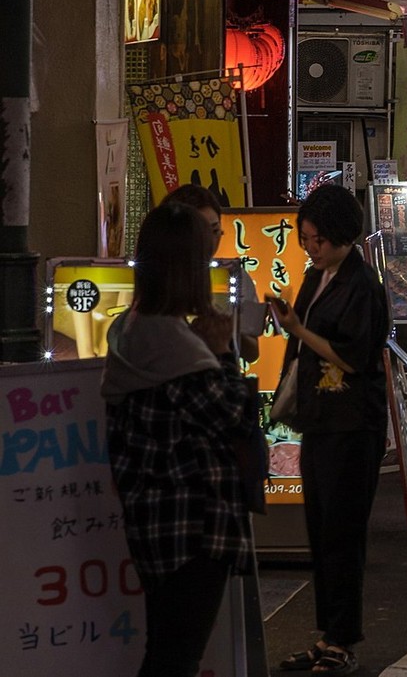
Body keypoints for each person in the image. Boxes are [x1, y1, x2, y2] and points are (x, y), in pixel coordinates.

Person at [105, 201, 260, 677]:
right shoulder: (172, 342)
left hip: (155, 522)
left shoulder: (133, 327)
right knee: (176, 657)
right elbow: (234, 414)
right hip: (190, 525)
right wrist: (222, 352)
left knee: (168, 649)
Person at [270, 185, 390, 675]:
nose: (310, 247)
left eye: (317, 239)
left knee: (341, 532)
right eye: (305, 238)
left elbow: (355, 356)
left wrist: (298, 330)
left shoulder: (362, 285)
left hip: (350, 421)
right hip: (320, 417)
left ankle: (342, 639)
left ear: (342, 235)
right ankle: (326, 635)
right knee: (321, 531)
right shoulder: (317, 276)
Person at [169, 181, 267, 361]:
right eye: (200, 231)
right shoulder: (157, 274)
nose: (210, 240)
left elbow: (252, 353)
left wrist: (229, 328)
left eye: (215, 231)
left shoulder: (236, 277)